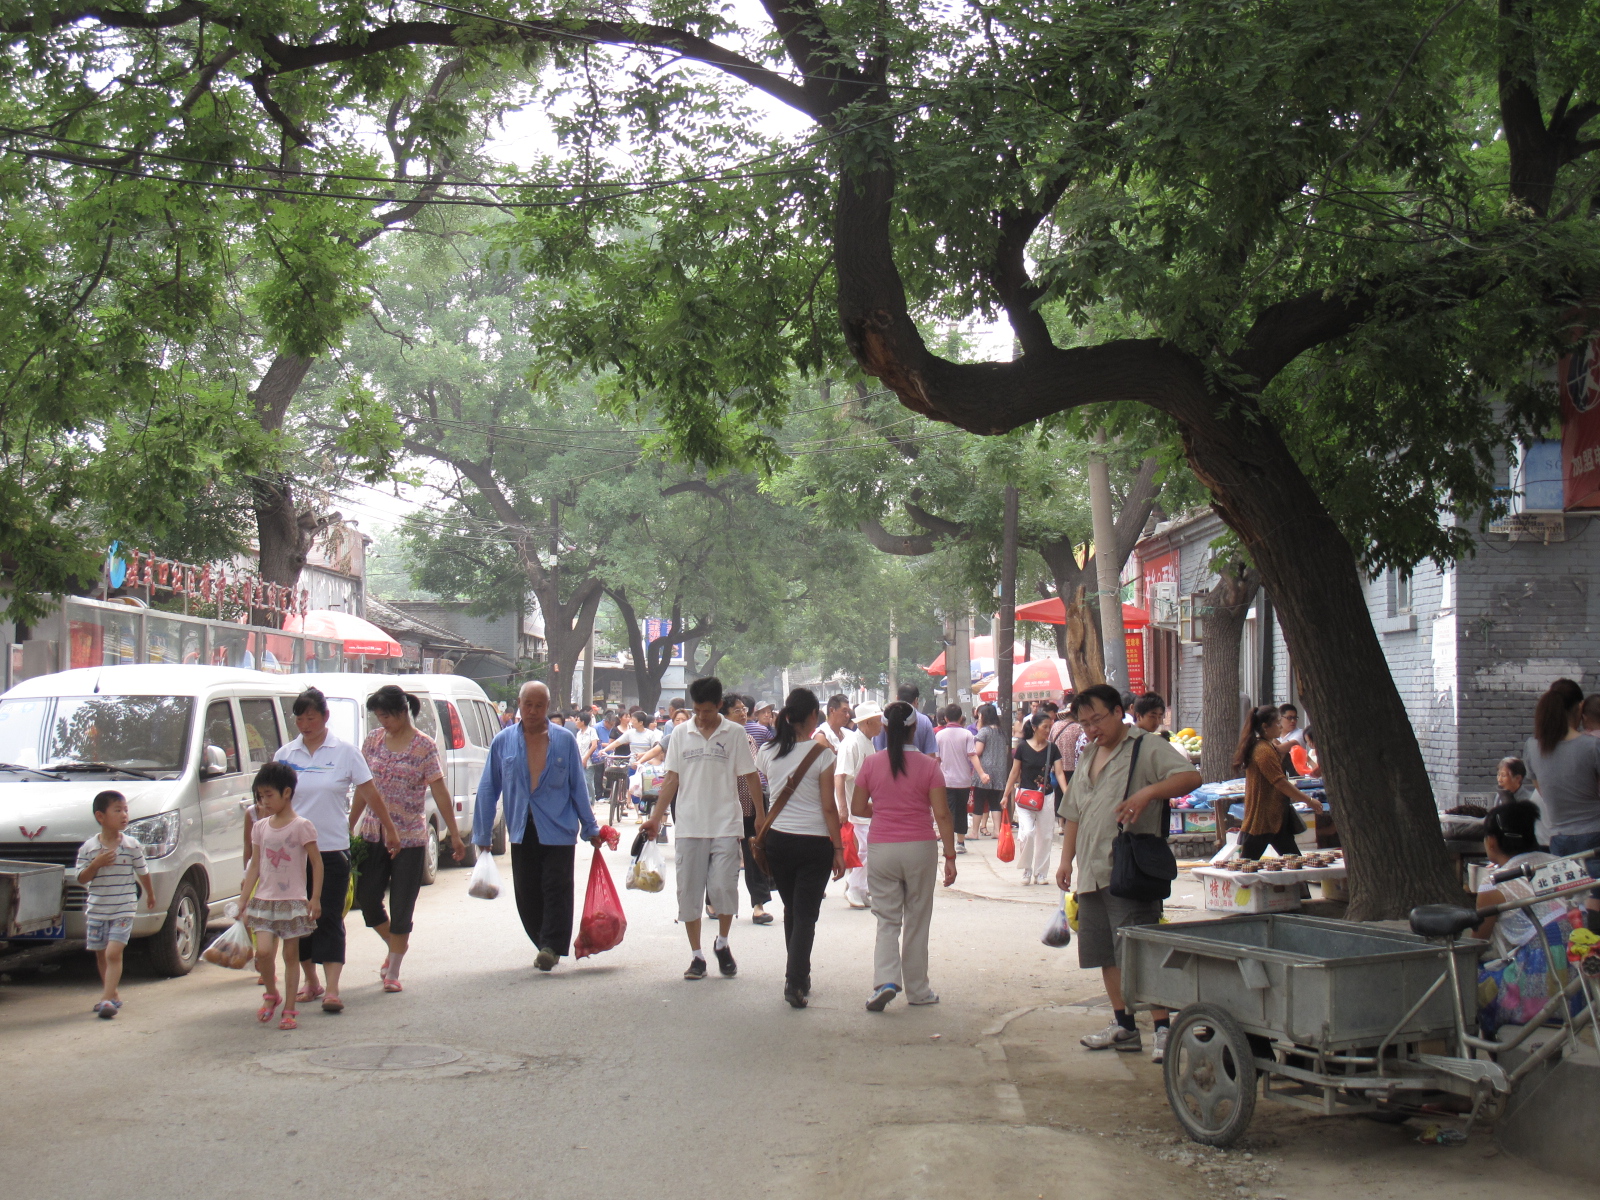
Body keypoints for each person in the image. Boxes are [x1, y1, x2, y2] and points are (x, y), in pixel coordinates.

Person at [1056, 684, 1200, 1061]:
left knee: (1140, 951)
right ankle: (1124, 1026)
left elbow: (1190, 778)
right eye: (1084, 723)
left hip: (1128, 869)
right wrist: (1065, 860)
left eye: (1097, 719)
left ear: (1120, 711)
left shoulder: (1146, 746)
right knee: (1106, 952)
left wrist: (1146, 794)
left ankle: (1164, 1029)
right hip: (1091, 870)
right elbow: (1072, 812)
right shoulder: (1088, 755)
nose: (1091, 729)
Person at [277, 686, 399, 1015]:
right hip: (292, 851)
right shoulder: (285, 755)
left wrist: (389, 828)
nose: (305, 723)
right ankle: (310, 980)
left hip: (331, 847)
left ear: (325, 717)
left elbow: (369, 792)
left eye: (311, 717)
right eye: (300, 718)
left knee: (328, 915)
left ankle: (332, 989)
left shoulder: (345, 752)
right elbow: (269, 800)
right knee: (298, 918)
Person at [475, 681, 605, 971]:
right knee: (528, 890)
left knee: (556, 886)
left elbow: (577, 787)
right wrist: (482, 833)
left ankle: (551, 946)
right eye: (528, 704)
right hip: (522, 827)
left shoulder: (563, 740)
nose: (533, 710)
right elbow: (488, 788)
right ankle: (543, 940)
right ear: (519, 705)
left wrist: (591, 827)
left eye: (539, 705)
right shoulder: (503, 741)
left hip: (559, 827)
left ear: (548, 707)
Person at [643, 676, 763, 979]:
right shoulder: (681, 734)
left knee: (724, 887)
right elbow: (671, 779)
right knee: (689, 893)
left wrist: (761, 816)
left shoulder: (735, 733)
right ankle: (696, 956)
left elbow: (750, 776)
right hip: (689, 825)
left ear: (719, 706)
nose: (702, 716)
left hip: (725, 823)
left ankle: (722, 943)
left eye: (707, 710)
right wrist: (656, 818)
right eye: (697, 710)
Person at [351, 685, 466, 993]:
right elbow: (365, 788)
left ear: (403, 712)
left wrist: (454, 834)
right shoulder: (372, 741)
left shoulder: (424, 746)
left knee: (402, 905)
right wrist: (348, 825)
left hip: (410, 839)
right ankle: (395, 946)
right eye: (378, 716)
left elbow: (440, 791)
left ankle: (394, 970)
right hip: (373, 834)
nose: (382, 721)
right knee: (368, 898)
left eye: (386, 715)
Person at [852, 701, 956, 1011]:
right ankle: (918, 990)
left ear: (883, 728)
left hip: (882, 848)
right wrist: (950, 856)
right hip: (920, 847)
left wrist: (884, 811)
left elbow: (858, 808)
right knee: (917, 918)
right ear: (915, 728)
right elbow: (942, 814)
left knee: (887, 918)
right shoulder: (929, 766)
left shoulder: (871, 764)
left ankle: (885, 980)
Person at [755, 688, 843, 1008]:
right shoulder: (824, 755)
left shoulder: (766, 751)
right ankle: (795, 979)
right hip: (815, 843)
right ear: (811, 717)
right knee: (806, 913)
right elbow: (828, 807)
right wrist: (838, 848)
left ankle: (798, 974)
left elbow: (766, 783)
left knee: (793, 908)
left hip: (779, 841)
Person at [1471, 800, 1586, 1033]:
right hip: (1584, 970)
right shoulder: (1564, 865)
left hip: (1540, 979)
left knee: (1472, 978)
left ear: (1491, 842)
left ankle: (1488, 1052)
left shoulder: (1494, 884)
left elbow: (1476, 944)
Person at [236, 762, 322, 1030]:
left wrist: (315, 898)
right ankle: (272, 993)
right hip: (263, 901)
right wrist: (243, 899)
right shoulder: (260, 827)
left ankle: (290, 1009)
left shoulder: (302, 826)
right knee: (262, 953)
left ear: (287, 793)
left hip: (293, 901)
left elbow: (316, 864)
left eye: (269, 795)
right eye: (260, 796)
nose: (264, 801)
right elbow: (255, 865)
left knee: (290, 956)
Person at [1522, 679, 1600, 934]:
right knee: (1595, 906)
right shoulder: (1592, 747)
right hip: (1595, 839)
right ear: (1580, 708)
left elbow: (1543, 790)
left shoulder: (1534, 747)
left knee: (1573, 910)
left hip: (1559, 842)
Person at [75, 790, 156, 1018]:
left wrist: (150, 894)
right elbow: (81, 878)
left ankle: (105, 1000)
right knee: (101, 954)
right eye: (118, 810)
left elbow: (143, 872)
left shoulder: (131, 846)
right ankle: (113, 994)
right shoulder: (89, 849)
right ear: (101, 816)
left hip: (124, 907)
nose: (124, 815)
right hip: (98, 909)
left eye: (126, 810)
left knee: (113, 953)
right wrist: (96, 864)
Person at [1235, 705, 1324, 859]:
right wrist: (1308, 800)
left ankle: (1297, 883)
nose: (1280, 726)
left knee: (1294, 862)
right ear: (1265, 727)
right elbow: (1279, 782)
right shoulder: (1263, 749)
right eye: (1277, 723)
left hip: (1276, 817)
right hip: (1263, 818)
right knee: (1246, 866)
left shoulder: (1268, 746)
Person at [719, 693, 774, 924]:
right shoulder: (717, 740)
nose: (743, 713)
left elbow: (754, 775)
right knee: (721, 856)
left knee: (754, 855)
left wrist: (761, 812)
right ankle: (714, 901)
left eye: (744, 709)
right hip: (722, 807)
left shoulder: (749, 738)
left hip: (749, 806)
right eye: (737, 710)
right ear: (724, 715)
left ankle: (758, 905)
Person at [1002, 705, 1066, 884]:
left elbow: (1059, 773)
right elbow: (1014, 772)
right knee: (1027, 833)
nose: (1048, 730)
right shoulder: (1022, 748)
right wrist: (1006, 794)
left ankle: (1041, 872)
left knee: (1046, 835)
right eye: (1045, 727)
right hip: (1024, 796)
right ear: (1035, 727)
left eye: (1049, 727)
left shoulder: (1052, 749)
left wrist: (1067, 792)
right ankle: (1027, 870)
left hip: (1046, 797)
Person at [836, 702, 882, 907]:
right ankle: (855, 887)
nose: (881, 725)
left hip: (865, 805)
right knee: (865, 848)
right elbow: (840, 775)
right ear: (868, 722)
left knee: (868, 847)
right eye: (878, 720)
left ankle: (860, 887)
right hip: (855, 805)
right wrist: (842, 808)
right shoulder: (851, 743)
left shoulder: (868, 742)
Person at [933, 704, 980, 854]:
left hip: (945, 781)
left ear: (945, 718)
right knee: (961, 811)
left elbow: (937, 760)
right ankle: (960, 842)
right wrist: (982, 773)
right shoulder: (967, 735)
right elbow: (972, 755)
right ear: (961, 718)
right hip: (963, 781)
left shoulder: (939, 736)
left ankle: (949, 844)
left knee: (947, 812)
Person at [972, 703, 1008, 839]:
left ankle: (974, 832)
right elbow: (1005, 750)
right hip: (1000, 769)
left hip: (984, 770)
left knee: (979, 801)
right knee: (994, 801)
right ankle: (997, 831)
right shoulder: (1001, 731)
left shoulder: (984, 731)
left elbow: (978, 751)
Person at [871, 683, 938, 754]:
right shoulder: (925, 721)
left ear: (897, 698)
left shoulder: (885, 718)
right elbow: (930, 754)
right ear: (916, 700)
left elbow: (877, 750)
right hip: (918, 764)